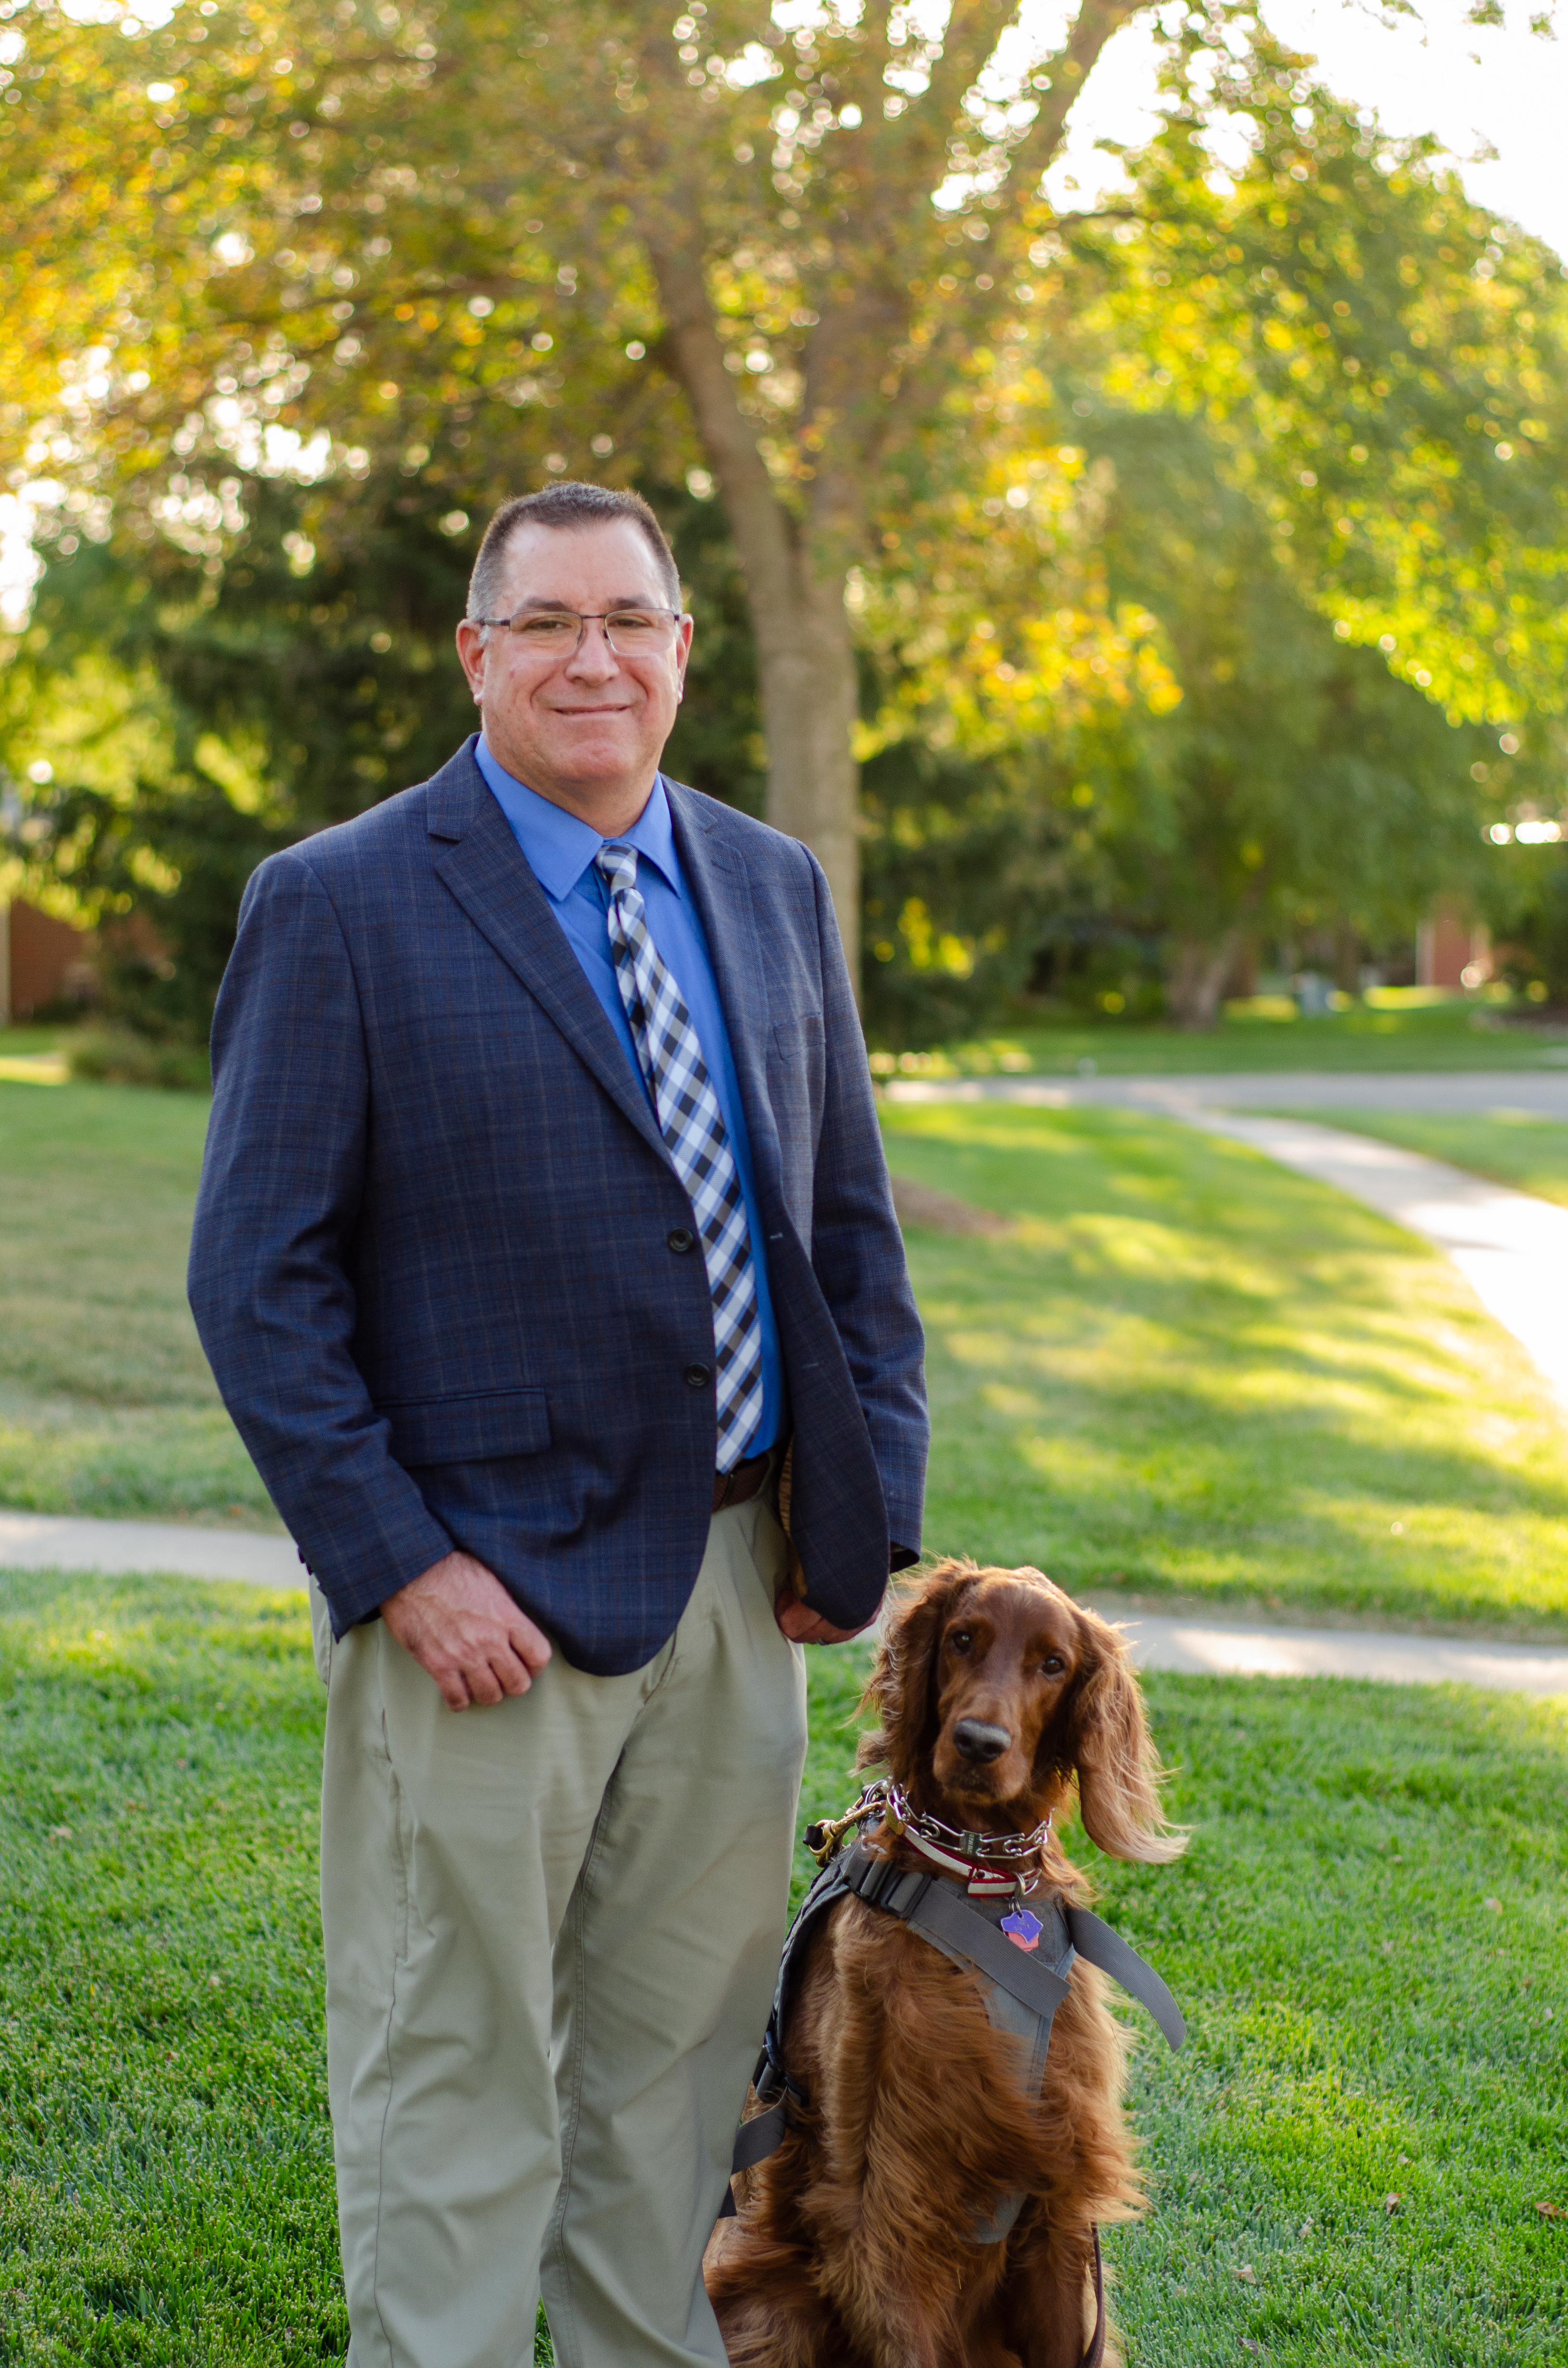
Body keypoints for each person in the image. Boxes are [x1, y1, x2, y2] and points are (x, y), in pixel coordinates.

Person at [187, 480, 928, 2368]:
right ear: (478, 653)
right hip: (480, 1612)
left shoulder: (768, 886)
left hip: (743, 1578)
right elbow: (257, 1283)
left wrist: (860, 1522)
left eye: (630, 619)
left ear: (686, 649)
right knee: (454, 2079)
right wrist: (401, 1564)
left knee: (675, 2093)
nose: (592, 656)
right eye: (546, 623)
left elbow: (845, 1232)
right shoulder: (340, 902)